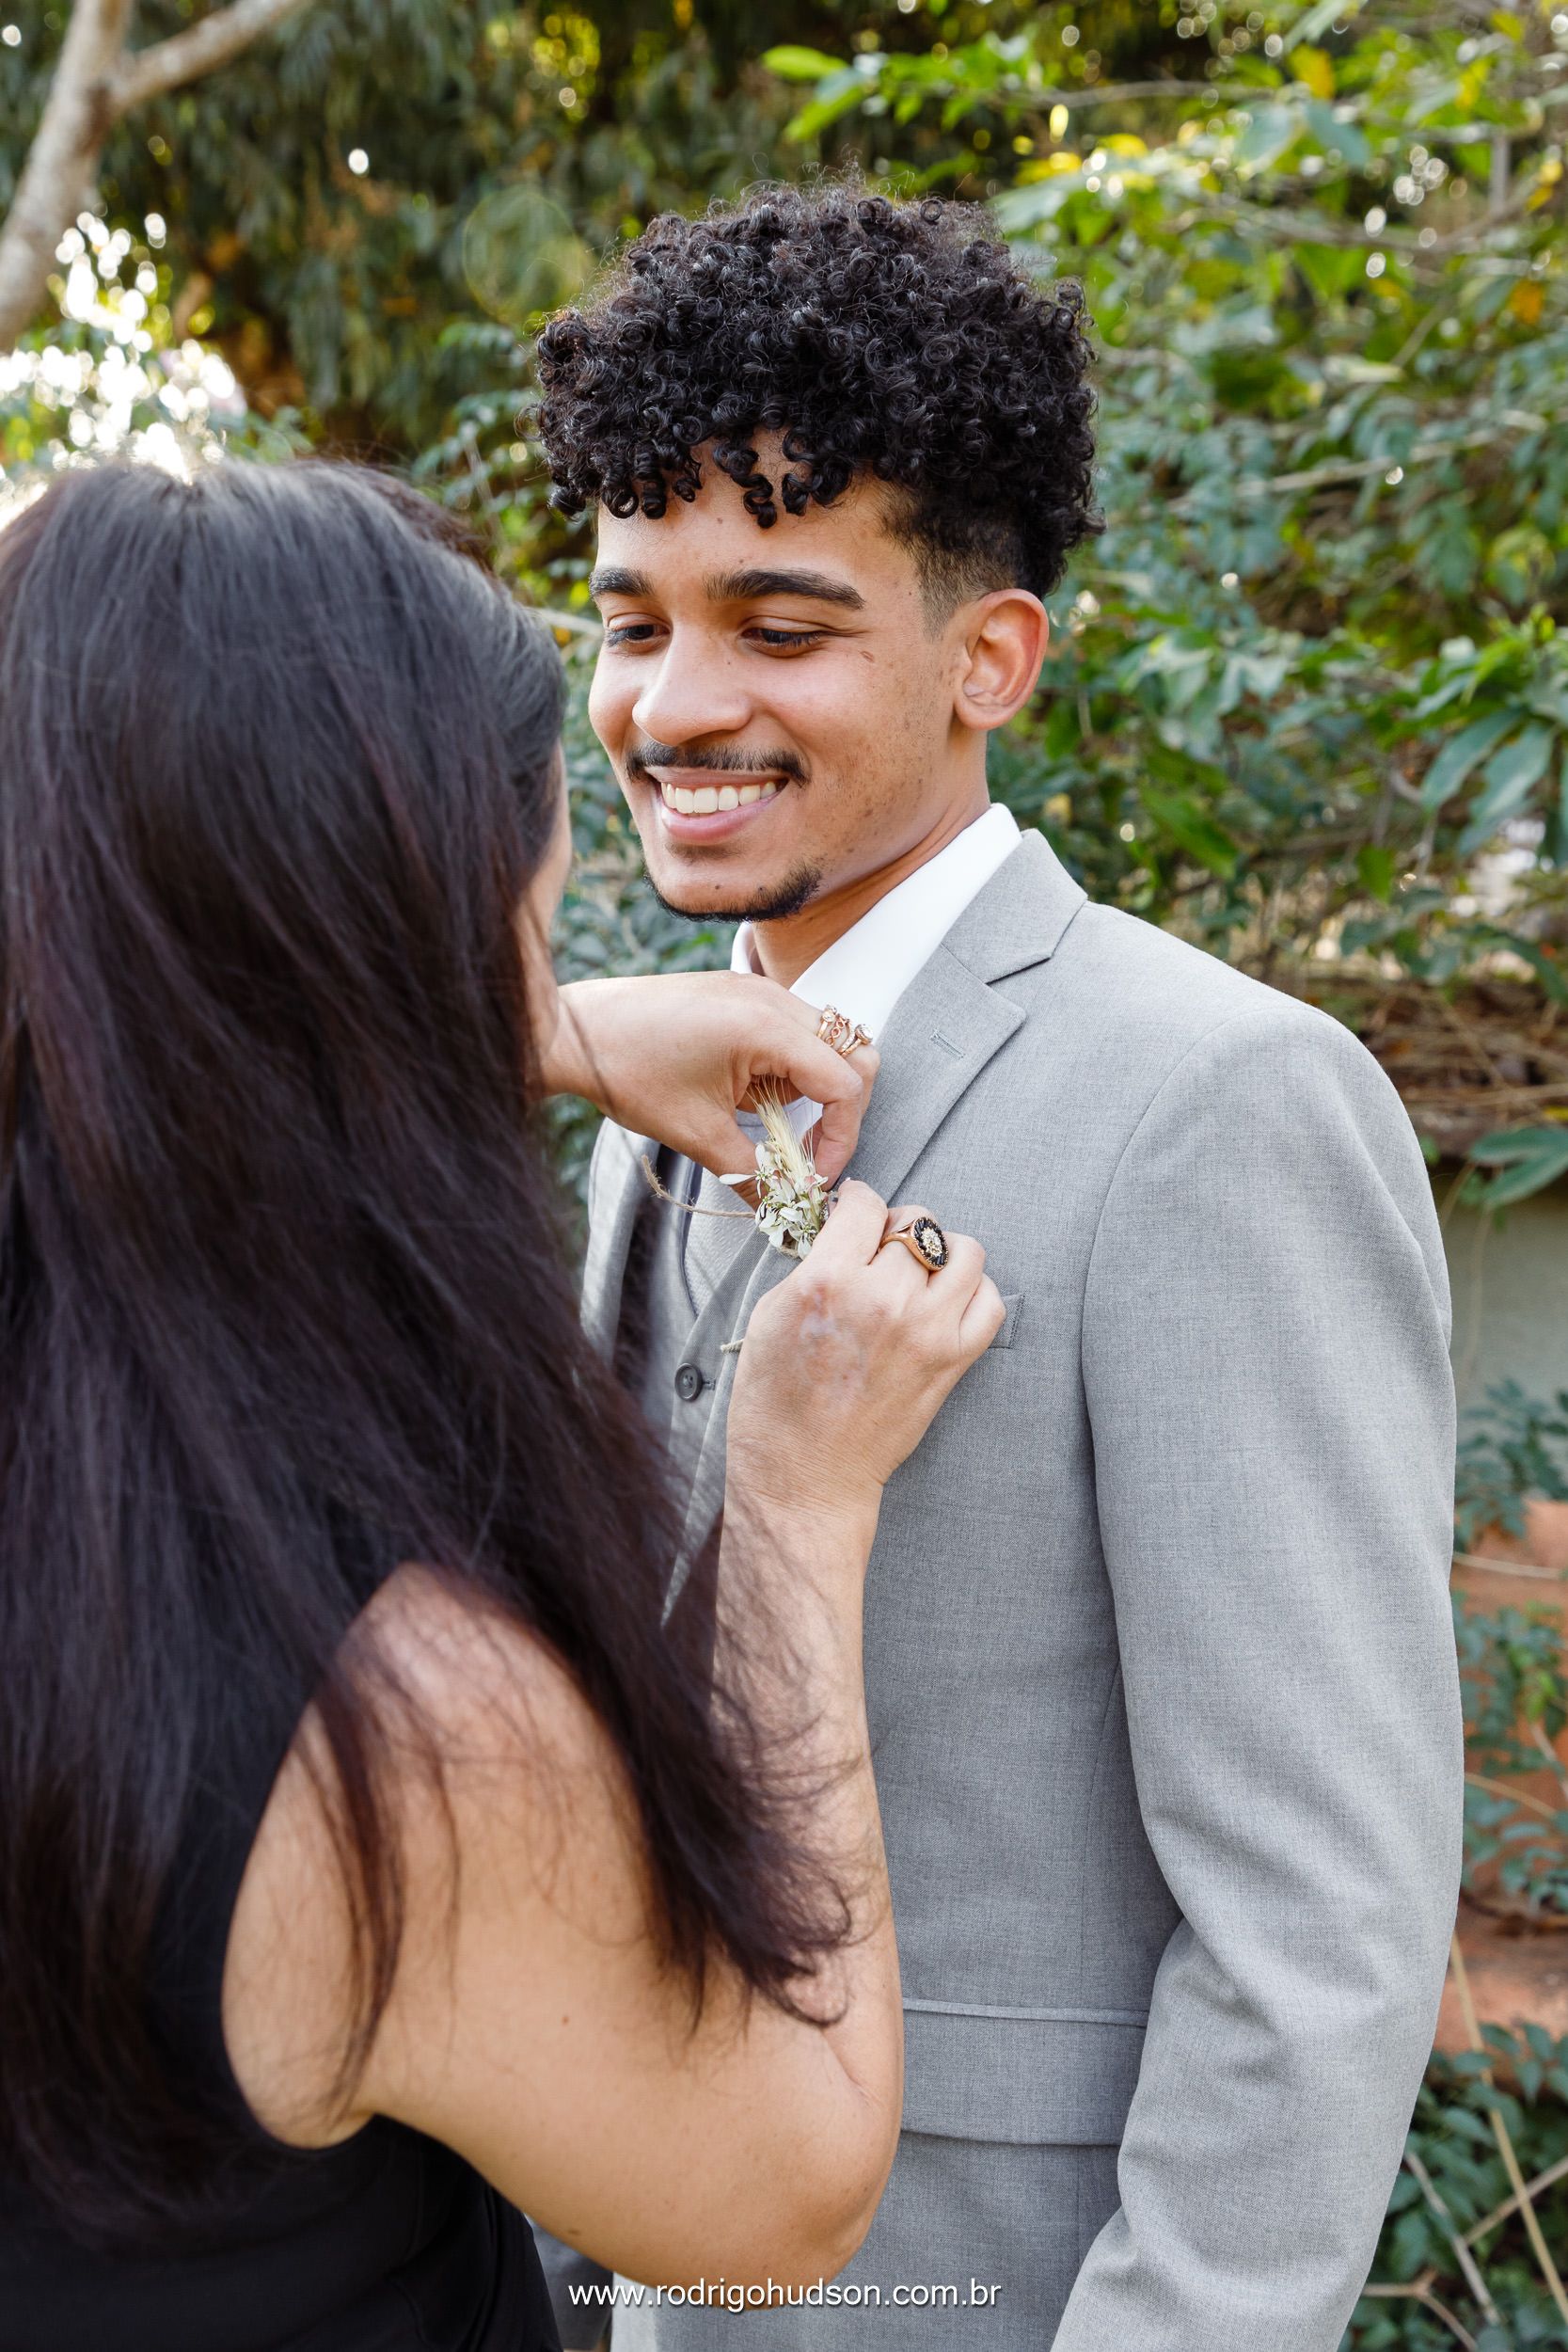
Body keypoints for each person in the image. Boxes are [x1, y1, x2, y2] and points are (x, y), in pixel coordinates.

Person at [531, 180, 1465, 2351]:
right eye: (629, 617)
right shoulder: (644, 1104)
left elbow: (1319, 1923)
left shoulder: (1219, 1103)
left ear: (991, 657)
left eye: (779, 625)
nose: (676, 705)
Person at [0, 456, 1006, 2352]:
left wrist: (516, 1024)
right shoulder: (392, 1729)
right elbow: (775, 2192)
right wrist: (795, 1507)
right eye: (531, 931)